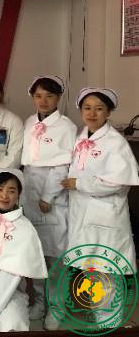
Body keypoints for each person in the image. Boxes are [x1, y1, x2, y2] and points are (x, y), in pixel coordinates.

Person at [20, 75, 77, 328]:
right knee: (38, 255)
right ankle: (39, 303)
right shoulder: (30, 122)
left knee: (55, 257)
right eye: (38, 95)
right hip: (30, 191)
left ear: (59, 98)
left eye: (49, 96)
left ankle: (57, 307)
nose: (43, 101)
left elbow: (63, 165)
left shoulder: (66, 126)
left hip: (51, 197)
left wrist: (48, 196)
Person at [62, 88, 138, 271]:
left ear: (108, 112)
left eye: (99, 108)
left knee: (107, 268)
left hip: (105, 213)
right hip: (80, 210)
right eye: (87, 108)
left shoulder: (115, 142)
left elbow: (118, 182)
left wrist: (79, 184)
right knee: (83, 267)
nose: (92, 113)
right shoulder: (80, 138)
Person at [0, 168, 48, 332]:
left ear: (19, 194)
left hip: (8, 290)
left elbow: (11, 274)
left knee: (13, 323)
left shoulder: (25, 229)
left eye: (11, 191)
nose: (4, 196)